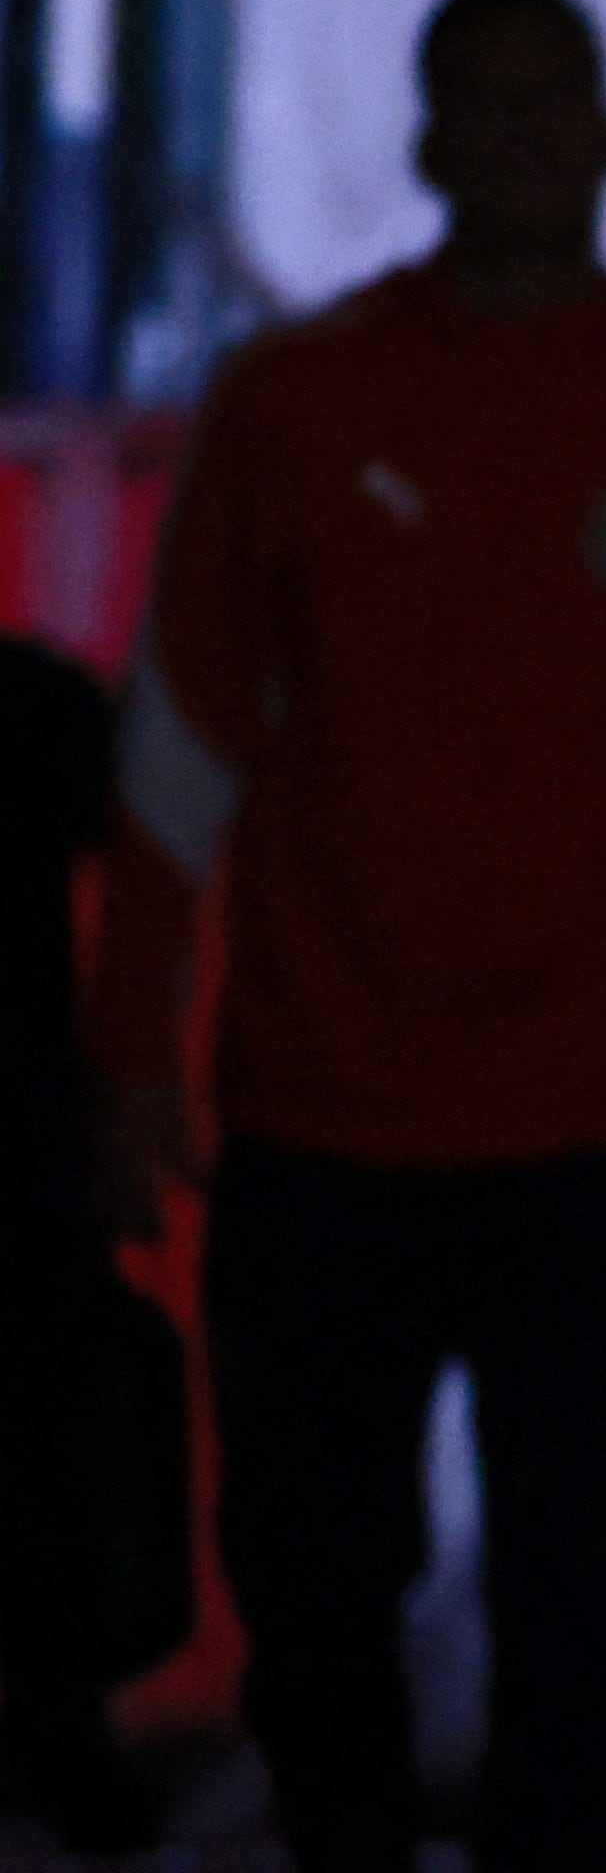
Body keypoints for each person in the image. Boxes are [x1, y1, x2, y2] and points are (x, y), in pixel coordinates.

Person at [85, 0, 606, 1873]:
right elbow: (177, 765)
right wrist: (128, 1061)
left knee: (569, 1615)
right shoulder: (289, 410)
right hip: (321, 1119)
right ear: (426, 139)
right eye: (478, 99)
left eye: (551, 97)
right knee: (317, 1598)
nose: (516, 134)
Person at [2, 630, 158, 1857]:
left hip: (34, 1155)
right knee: (50, 1457)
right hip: (31, 1152)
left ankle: (63, 1718)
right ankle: (64, 1723)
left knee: (52, 1451)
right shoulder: (38, 702)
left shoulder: (40, 703)